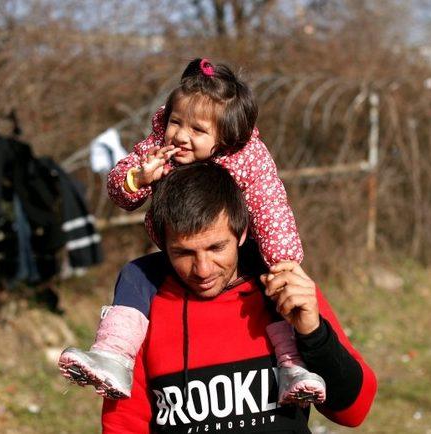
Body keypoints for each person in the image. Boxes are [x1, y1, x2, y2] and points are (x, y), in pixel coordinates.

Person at [59, 58, 320, 406]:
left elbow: (270, 202)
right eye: (176, 122)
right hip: (176, 250)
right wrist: (139, 177)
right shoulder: (158, 149)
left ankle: (291, 367)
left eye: (197, 130)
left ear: (225, 135)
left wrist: (283, 260)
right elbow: (119, 186)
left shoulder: (247, 156)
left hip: (236, 253)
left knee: (271, 289)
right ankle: (113, 355)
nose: (181, 136)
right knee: (135, 274)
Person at [101, 162, 377, 433]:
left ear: (242, 232)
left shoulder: (284, 290)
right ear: (162, 244)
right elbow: (123, 425)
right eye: (184, 253)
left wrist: (313, 333)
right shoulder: (138, 310)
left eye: (216, 247)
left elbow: (354, 411)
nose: (203, 269)